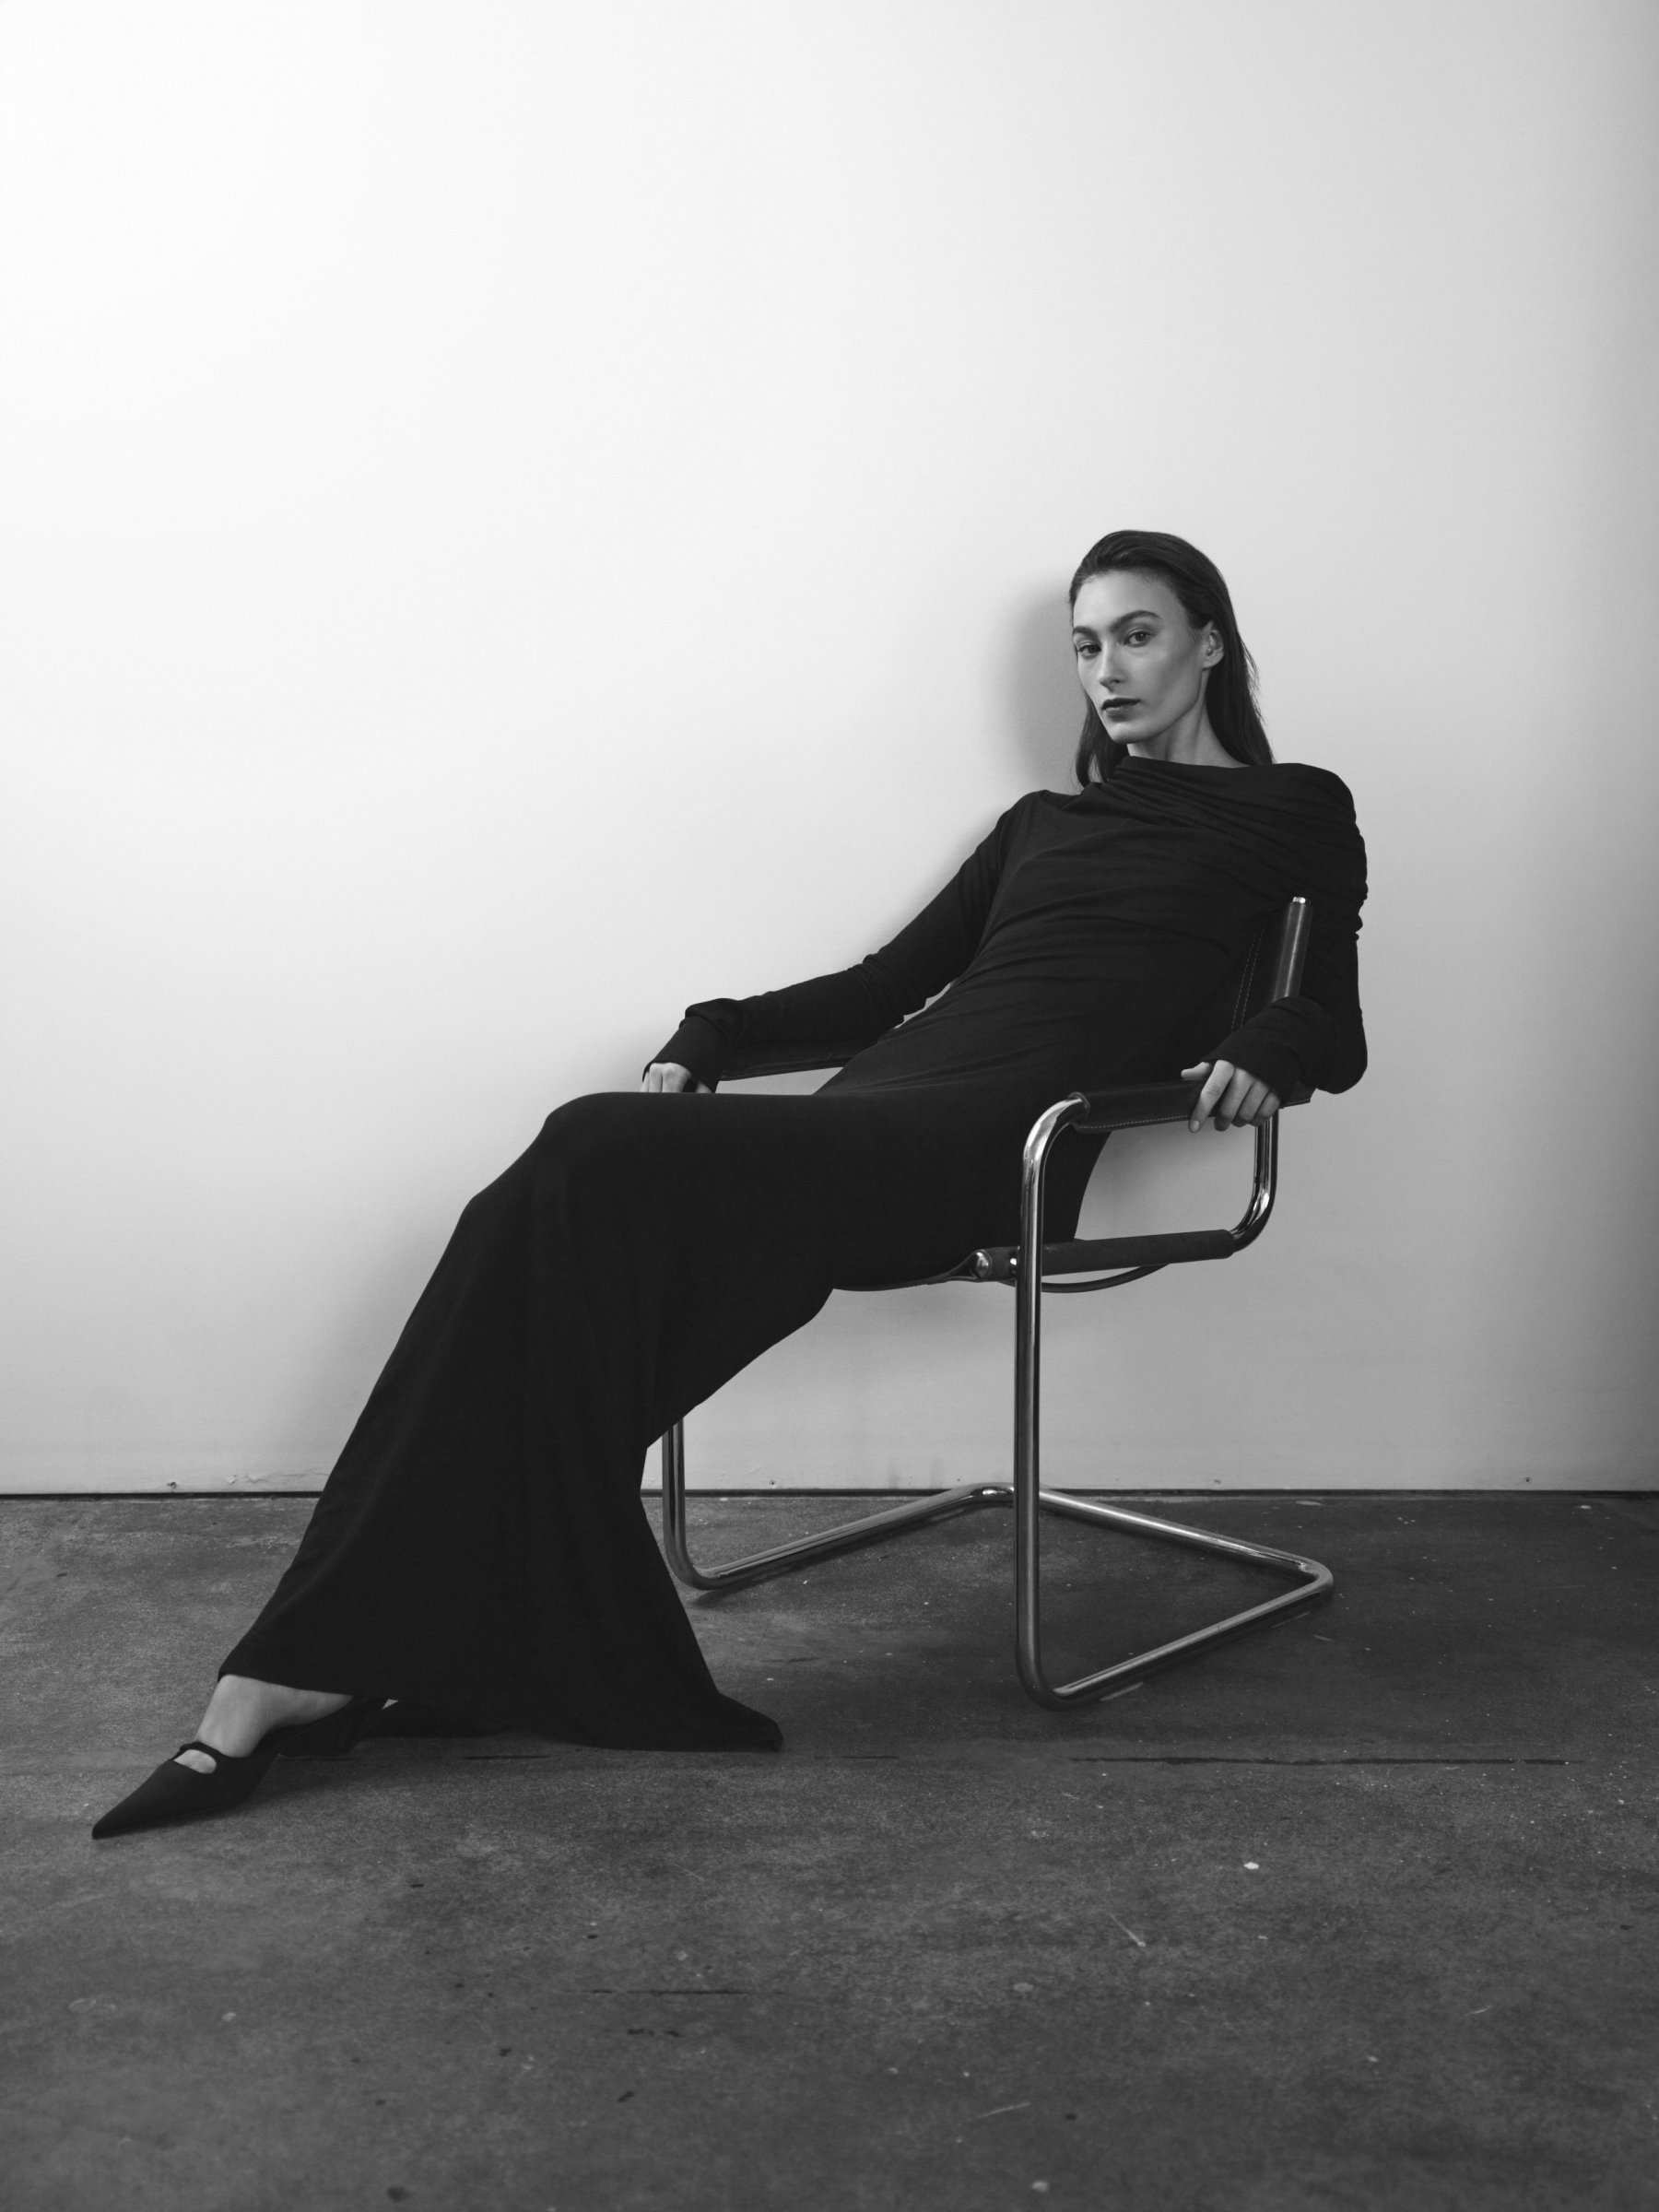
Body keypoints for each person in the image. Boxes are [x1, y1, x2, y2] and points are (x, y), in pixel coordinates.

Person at [93, 529, 1368, 1839]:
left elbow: (1336, 1023)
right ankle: (356, 1655)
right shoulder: (1041, 827)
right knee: (547, 1247)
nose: (1107, 669)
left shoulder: (1299, 811)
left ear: (1211, 641)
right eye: (1086, 644)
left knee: (587, 1150)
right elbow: (879, 994)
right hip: (873, 1120)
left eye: (1138, 635)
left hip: (998, 1149)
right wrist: (714, 1032)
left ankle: (314, 1663)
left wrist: (1274, 1040)